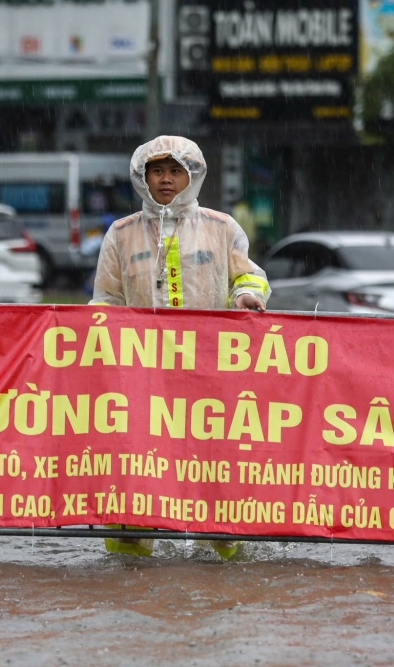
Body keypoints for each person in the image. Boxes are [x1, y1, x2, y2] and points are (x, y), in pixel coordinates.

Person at [90, 135, 270, 559]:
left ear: (193, 175)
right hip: (140, 375)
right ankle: (128, 568)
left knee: (215, 470)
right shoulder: (121, 234)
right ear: (143, 177)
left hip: (210, 373)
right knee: (136, 471)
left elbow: (248, 275)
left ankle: (223, 557)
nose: (166, 179)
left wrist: (246, 295)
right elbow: (106, 300)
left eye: (175, 171)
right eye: (157, 171)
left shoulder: (222, 227)